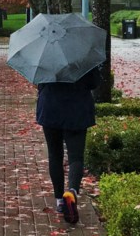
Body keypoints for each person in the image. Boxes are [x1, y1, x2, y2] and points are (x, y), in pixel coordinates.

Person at [36, 65, 102, 224]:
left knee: (55, 154)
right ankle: (71, 191)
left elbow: (40, 83)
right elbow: (94, 83)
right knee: (76, 157)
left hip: (50, 107)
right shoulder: (85, 56)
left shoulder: (47, 56)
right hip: (77, 109)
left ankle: (59, 200)